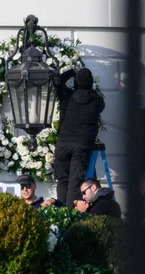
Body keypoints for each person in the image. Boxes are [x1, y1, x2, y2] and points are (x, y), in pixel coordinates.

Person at [53, 68, 106, 207]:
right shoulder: (97, 101)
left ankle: (60, 214)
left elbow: (57, 81)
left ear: (76, 82)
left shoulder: (67, 95)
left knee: (62, 180)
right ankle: (70, 216)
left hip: (63, 143)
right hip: (82, 145)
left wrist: (71, 71)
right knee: (75, 183)